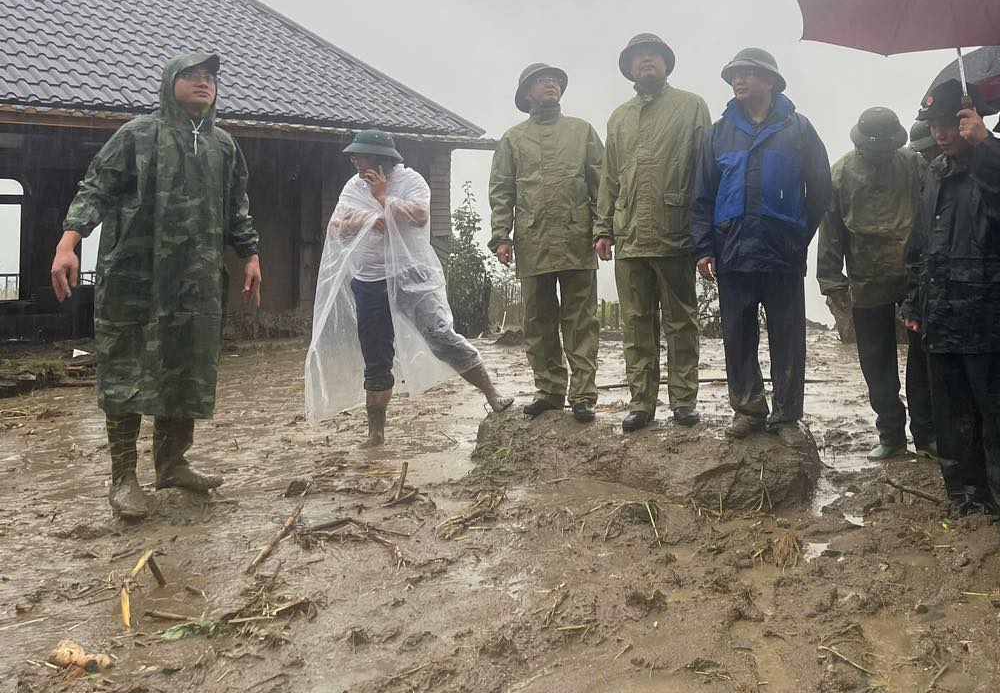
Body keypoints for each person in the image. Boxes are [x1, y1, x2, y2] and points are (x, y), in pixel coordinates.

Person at [50, 53, 261, 519]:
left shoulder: (223, 146)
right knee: (127, 368)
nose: (204, 83)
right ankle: (123, 477)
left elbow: (237, 208)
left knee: (186, 367)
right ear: (170, 84)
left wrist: (250, 254)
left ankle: (172, 463)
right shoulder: (137, 136)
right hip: (135, 277)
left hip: (197, 281)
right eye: (193, 76)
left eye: (210, 78)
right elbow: (95, 189)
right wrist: (69, 243)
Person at [901, 79, 1000, 540]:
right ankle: (968, 503)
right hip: (943, 314)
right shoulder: (934, 172)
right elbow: (922, 243)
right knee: (953, 419)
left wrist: (985, 147)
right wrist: (914, 299)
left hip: (995, 313)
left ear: (972, 119)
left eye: (949, 123)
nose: (942, 133)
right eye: (934, 125)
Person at [305, 130, 513, 446]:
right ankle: (375, 435)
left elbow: (419, 216)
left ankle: (492, 393)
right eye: (354, 157)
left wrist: (383, 198)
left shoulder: (412, 181)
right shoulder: (353, 186)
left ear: (380, 159)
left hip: (411, 277)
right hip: (369, 282)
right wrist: (365, 219)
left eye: (360, 157)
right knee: (375, 357)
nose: (355, 162)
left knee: (441, 336)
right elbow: (337, 225)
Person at [691, 48, 831, 438]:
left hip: (782, 250)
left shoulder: (799, 129)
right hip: (731, 250)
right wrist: (703, 248)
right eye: (735, 74)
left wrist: (799, 234)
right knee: (736, 334)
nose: (739, 80)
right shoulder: (718, 133)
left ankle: (786, 415)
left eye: (749, 73)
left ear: (770, 81)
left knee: (787, 335)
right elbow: (702, 195)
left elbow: (820, 190)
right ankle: (749, 410)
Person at [594, 34, 711, 433]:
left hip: (675, 230)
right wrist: (603, 228)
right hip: (628, 236)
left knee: (681, 321)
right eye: (639, 57)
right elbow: (609, 178)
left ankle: (683, 402)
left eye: (654, 56)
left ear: (666, 64)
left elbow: (704, 172)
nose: (647, 61)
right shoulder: (618, 117)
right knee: (636, 322)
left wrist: (703, 231)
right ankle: (641, 403)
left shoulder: (692, 107)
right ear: (629, 68)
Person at [489, 64, 605, 423]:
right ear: (526, 93)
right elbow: (502, 190)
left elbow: (601, 183)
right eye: (541, 81)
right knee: (538, 321)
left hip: (577, 237)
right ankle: (550, 390)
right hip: (533, 239)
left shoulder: (581, 131)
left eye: (555, 80)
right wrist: (500, 236)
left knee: (581, 319)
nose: (550, 84)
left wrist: (603, 229)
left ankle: (583, 395)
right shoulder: (513, 138)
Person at [817, 107, 933, 461]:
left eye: (886, 149)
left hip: (915, 276)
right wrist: (832, 282)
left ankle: (928, 434)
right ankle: (891, 433)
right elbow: (831, 231)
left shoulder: (915, 165)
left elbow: (933, 217)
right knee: (875, 360)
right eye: (873, 149)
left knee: (925, 358)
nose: (880, 156)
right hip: (867, 279)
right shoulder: (840, 174)